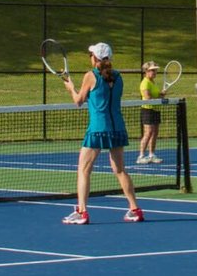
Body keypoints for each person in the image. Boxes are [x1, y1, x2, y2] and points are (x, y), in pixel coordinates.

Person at [60, 42, 144, 225]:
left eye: (91, 55)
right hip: (118, 129)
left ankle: (82, 212)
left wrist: (70, 87)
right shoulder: (119, 77)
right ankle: (135, 209)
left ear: (95, 58)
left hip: (98, 129)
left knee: (83, 170)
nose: (89, 57)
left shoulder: (90, 76)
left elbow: (78, 101)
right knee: (120, 170)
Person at [136, 61, 163, 164]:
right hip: (147, 110)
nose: (155, 72)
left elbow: (154, 95)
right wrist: (159, 97)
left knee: (155, 133)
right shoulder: (145, 82)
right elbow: (147, 97)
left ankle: (151, 154)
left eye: (155, 70)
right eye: (152, 70)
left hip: (155, 110)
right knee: (148, 133)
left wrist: (160, 95)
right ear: (146, 71)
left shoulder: (152, 82)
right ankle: (141, 156)